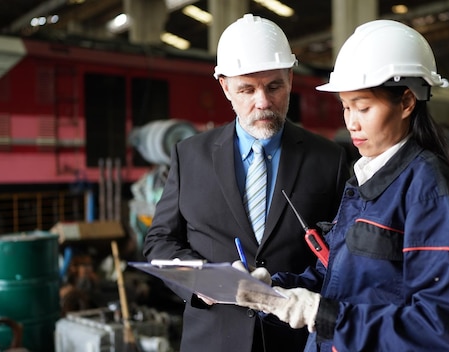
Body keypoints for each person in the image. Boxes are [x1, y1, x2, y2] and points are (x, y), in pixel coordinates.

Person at [235, 19, 449, 351]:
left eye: (363, 107)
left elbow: (440, 328)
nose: (351, 122)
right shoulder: (366, 179)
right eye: (346, 107)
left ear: (407, 102)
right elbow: (339, 277)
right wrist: (274, 292)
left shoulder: (427, 191)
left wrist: (323, 314)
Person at [142, 13, 349, 352]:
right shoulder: (189, 155)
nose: (263, 102)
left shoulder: (329, 159)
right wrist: (198, 280)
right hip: (212, 338)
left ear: (291, 79)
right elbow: (160, 240)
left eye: (274, 86)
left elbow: (340, 256)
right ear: (225, 86)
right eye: (247, 89)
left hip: (294, 340)